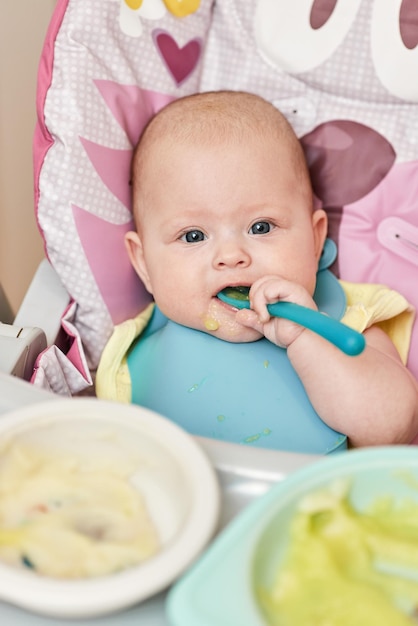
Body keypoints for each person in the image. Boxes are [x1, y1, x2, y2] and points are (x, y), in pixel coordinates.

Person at [96, 90, 418, 453]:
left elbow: (392, 429)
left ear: (315, 240)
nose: (231, 256)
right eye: (193, 235)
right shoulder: (127, 356)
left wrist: (305, 339)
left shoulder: (349, 320)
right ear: (144, 264)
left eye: (261, 227)